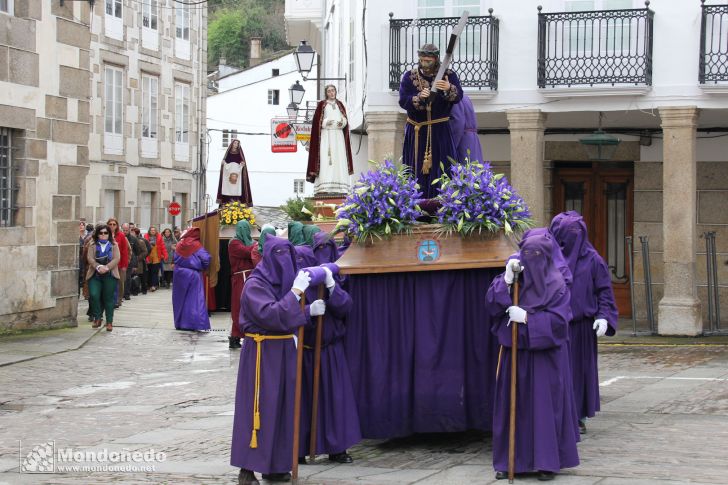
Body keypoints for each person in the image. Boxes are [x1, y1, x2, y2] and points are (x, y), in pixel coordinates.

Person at [486, 234, 579, 481]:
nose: (531, 260)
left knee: (543, 410)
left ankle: (546, 462)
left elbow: (560, 324)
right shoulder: (516, 277)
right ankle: (509, 461)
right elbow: (492, 305)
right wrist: (506, 281)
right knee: (511, 408)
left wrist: (528, 319)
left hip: (544, 359)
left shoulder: (557, 285)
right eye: (526, 255)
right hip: (514, 354)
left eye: (535, 256)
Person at [231, 237, 320, 484]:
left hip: (283, 349)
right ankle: (247, 468)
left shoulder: (282, 282)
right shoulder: (256, 284)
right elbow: (271, 314)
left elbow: (287, 313)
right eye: (279, 254)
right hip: (262, 353)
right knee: (259, 408)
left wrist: (306, 311)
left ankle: (277, 464)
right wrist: (295, 294)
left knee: (284, 407)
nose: (284, 261)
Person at [549, 211, 618, 434]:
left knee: (578, 373)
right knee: (555, 371)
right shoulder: (547, 258)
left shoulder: (593, 260)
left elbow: (604, 292)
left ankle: (577, 416)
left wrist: (603, 317)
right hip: (553, 325)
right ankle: (554, 413)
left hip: (581, 327)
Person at [296, 232, 360, 463]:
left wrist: (332, 287)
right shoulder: (301, 275)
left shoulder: (339, 277)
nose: (324, 250)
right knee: (302, 402)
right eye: (319, 247)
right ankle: (300, 447)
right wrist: (307, 311)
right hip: (305, 348)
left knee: (334, 399)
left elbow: (345, 308)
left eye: (328, 246)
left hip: (330, 348)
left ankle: (337, 447)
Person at [399, 43, 463, 199]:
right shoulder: (409, 76)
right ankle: (415, 205)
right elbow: (403, 101)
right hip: (417, 132)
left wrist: (449, 88)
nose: (425, 64)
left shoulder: (448, 75)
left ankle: (443, 204)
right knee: (415, 169)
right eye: (422, 60)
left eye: (429, 61)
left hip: (440, 131)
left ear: (436, 59)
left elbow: (458, 96)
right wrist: (419, 97)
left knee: (442, 168)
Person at [306, 85, 355, 195]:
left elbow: (344, 119)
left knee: (339, 158)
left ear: (335, 92)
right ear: (326, 93)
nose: (331, 93)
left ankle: (340, 187)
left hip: (338, 136)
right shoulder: (322, 105)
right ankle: (325, 186)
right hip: (326, 136)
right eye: (329, 91)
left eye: (333, 91)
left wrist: (343, 122)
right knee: (326, 159)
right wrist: (324, 122)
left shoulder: (340, 104)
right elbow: (316, 122)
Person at [172, 227, 211, 331]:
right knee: (194, 300)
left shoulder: (180, 243)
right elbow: (206, 258)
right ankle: (193, 324)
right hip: (192, 274)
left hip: (178, 273)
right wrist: (203, 268)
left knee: (180, 300)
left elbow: (174, 256)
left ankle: (179, 323)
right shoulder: (196, 244)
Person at [85, 224, 121, 332]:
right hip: (95, 275)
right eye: (101, 233)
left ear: (109, 234)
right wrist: (98, 266)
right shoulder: (92, 244)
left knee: (108, 299)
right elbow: (89, 258)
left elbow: (117, 258)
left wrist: (107, 267)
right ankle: (97, 317)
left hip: (110, 275)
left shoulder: (114, 244)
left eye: (106, 233)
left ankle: (109, 322)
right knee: (94, 295)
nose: (103, 235)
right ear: (97, 234)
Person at [228, 220, 256, 349]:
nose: (246, 230)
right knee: (239, 307)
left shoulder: (251, 242)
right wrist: (257, 245)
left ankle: (244, 334)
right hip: (240, 278)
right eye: (244, 228)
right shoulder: (234, 242)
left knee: (250, 307)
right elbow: (246, 252)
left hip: (250, 277)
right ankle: (235, 336)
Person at [217, 139, 253, 206]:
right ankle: (226, 202)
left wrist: (242, 163)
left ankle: (238, 202)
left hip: (237, 173)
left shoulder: (240, 152)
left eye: (237, 144)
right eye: (235, 143)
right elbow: (225, 161)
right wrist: (224, 163)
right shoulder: (228, 153)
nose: (236, 145)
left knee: (237, 186)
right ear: (232, 144)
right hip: (228, 172)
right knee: (228, 185)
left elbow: (241, 161)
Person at [449, 94, 483, 163]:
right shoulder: (466, 97)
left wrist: (451, 145)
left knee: (465, 169)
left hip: (463, 140)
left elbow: (457, 121)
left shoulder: (456, 98)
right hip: (473, 139)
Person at [107, 218, 129, 308]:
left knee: (119, 282)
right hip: (107, 263)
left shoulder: (121, 235)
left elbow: (124, 251)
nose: (112, 226)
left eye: (114, 224)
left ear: (117, 225)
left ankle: (117, 300)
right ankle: (111, 300)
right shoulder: (104, 234)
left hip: (119, 264)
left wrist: (124, 264)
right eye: (110, 224)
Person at [144, 226, 168, 292]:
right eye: (151, 230)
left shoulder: (159, 237)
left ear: (156, 231)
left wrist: (165, 255)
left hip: (156, 256)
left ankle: (153, 286)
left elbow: (163, 246)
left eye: (154, 230)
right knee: (149, 272)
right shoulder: (145, 237)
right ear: (149, 231)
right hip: (148, 256)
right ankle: (149, 285)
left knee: (155, 272)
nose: (153, 231)